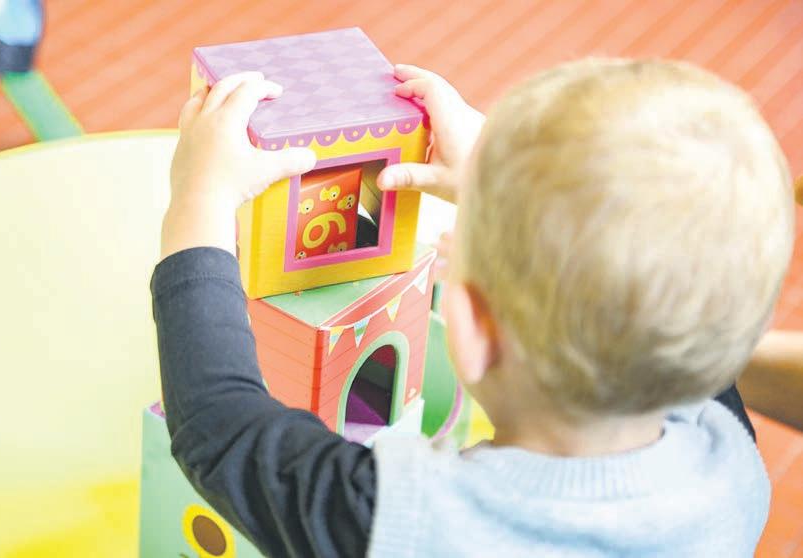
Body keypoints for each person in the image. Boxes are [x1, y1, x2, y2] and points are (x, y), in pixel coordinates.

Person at [153, 59, 795, 557]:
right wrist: (500, 188)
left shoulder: (409, 522)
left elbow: (219, 425)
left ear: (475, 329)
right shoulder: (730, 463)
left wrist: (200, 196)